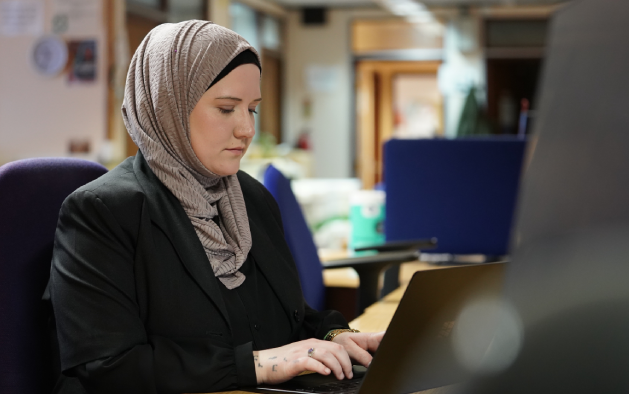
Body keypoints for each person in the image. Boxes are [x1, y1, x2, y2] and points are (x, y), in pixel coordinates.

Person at [45, 20, 384, 393]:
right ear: (167, 106)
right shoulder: (103, 212)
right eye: (226, 109)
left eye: (252, 109)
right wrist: (257, 365)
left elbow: (287, 318)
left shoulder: (251, 198)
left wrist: (335, 336)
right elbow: (109, 365)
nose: (246, 129)